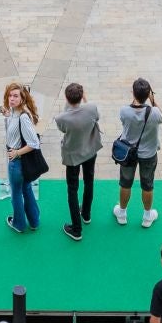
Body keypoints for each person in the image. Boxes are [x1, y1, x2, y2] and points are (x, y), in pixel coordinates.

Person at [113, 77, 162, 227]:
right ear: (148, 94)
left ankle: (122, 213)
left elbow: (124, 122)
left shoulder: (124, 111)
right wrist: (153, 101)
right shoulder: (154, 113)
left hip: (128, 153)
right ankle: (147, 217)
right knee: (147, 185)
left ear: (133, 93)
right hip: (149, 154)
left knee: (125, 183)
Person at [56, 81, 104, 241]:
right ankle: (87, 214)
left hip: (72, 156)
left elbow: (63, 128)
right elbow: (95, 116)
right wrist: (85, 99)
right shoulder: (91, 108)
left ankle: (76, 229)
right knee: (89, 181)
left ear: (66, 98)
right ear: (82, 95)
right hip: (90, 151)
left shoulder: (62, 117)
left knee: (72, 189)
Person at [1, 83, 44, 234]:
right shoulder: (13, 112)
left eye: (15, 96)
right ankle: (34, 221)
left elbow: (34, 143)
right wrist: (7, 116)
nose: (11, 99)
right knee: (26, 188)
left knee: (16, 193)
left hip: (17, 162)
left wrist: (17, 153)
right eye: (9, 95)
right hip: (20, 161)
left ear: (22, 98)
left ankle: (18, 224)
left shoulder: (23, 117)